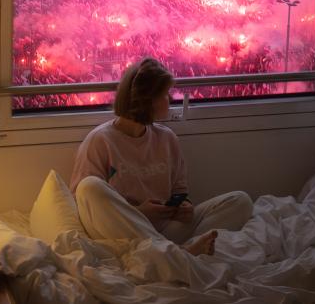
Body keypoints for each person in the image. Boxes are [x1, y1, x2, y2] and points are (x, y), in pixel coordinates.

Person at [70, 57, 253, 256]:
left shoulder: (167, 139)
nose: (171, 98)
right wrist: (139, 212)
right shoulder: (100, 141)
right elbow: (85, 205)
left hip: (168, 230)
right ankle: (176, 254)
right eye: (165, 94)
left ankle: (169, 252)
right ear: (147, 100)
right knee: (88, 187)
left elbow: (180, 190)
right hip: (125, 234)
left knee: (240, 202)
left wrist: (186, 208)